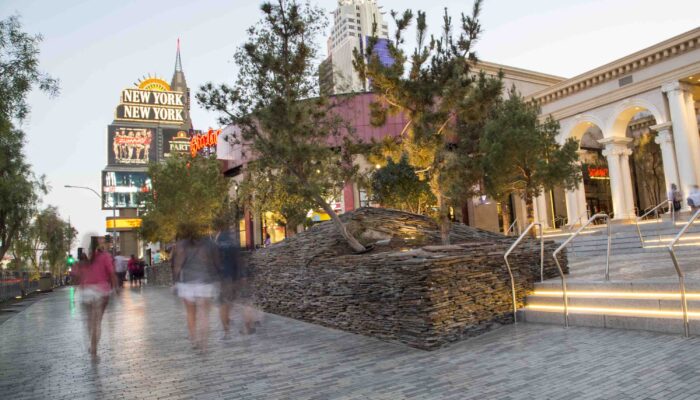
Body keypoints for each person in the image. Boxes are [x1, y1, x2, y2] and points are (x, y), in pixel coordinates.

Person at [171, 223, 221, 351]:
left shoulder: (181, 245)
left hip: (187, 283)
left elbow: (177, 265)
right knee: (204, 314)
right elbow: (216, 264)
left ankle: (194, 340)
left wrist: (175, 281)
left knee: (190, 313)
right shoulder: (210, 244)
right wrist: (218, 279)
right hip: (205, 282)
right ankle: (204, 344)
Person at [78, 238, 118, 360]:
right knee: (97, 321)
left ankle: (92, 343)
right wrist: (115, 288)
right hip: (101, 291)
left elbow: (79, 276)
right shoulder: (105, 256)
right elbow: (111, 273)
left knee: (90, 321)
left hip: (87, 291)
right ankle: (94, 348)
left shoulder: (84, 259)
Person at [216, 228, 255, 339]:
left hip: (224, 278)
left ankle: (226, 332)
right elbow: (239, 259)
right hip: (237, 276)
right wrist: (243, 275)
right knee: (244, 301)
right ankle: (247, 328)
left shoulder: (217, 244)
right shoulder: (234, 242)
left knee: (224, 304)